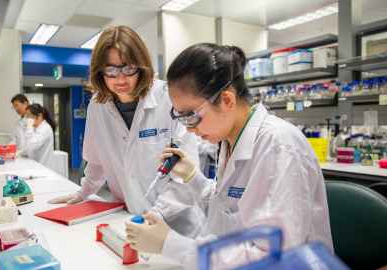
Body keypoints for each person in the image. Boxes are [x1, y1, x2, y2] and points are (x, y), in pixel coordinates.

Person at [125, 43, 333, 269]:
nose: (188, 129)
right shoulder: (230, 139)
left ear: (227, 100)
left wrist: (171, 244)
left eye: (191, 116)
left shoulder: (278, 146)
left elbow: (275, 256)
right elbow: (228, 212)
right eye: (180, 116)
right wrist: (193, 178)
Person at [49, 25, 203, 237]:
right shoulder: (98, 104)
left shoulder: (169, 98)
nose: (120, 79)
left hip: (176, 224)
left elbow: (186, 172)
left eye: (128, 68)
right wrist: (84, 192)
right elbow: (97, 160)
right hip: (129, 217)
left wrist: (157, 213)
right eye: (111, 70)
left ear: (142, 66)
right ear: (99, 72)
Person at [21, 103, 56, 168]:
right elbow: (27, 148)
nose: (27, 119)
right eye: (26, 116)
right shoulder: (35, 128)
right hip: (35, 166)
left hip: (43, 168)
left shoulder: (45, 129)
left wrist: (29, 127)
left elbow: (32, 146)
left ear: (39, 116)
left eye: (29, 116)